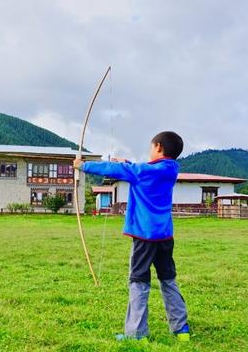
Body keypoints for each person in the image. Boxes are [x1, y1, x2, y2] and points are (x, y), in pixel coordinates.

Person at [73, 131, 190, 342]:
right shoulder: (170, 170)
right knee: (168, 279)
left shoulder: (144, 171)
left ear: (159, 147)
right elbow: (140, 170)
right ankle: (182, 331)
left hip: (145, 238)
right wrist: (127, 163)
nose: (150, 150)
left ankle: (137, 334)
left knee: (139, 281)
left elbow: (120, 170)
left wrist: (83, 165)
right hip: (164, 237)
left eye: (151, 147)